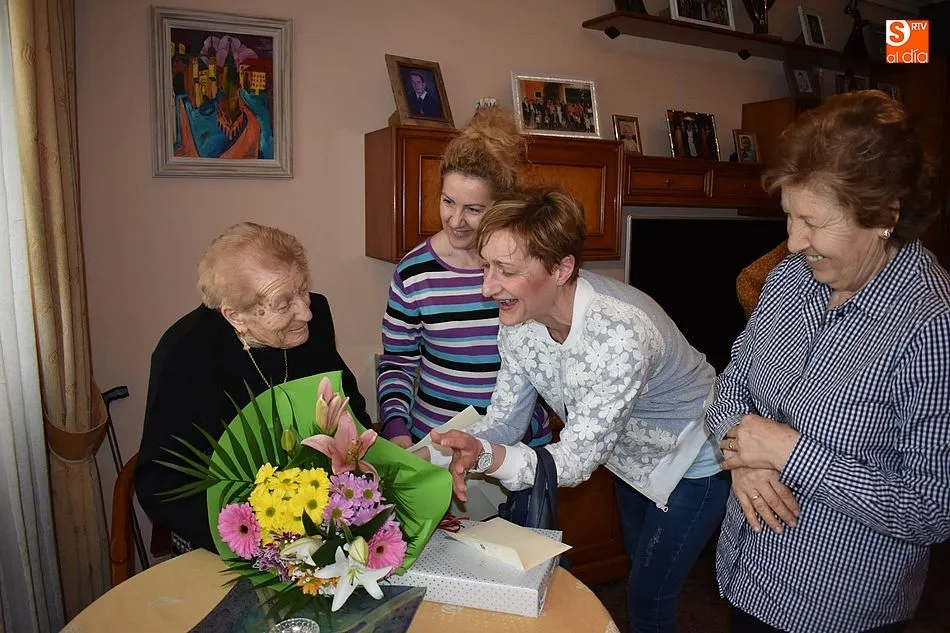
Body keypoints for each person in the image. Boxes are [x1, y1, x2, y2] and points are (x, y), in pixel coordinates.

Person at [430, 188, 729, 633]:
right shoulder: (519, 317)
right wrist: (450, 448)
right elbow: (508, 418)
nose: (487, 286)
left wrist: (489, 456)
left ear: (561, 267)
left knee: (649, 596)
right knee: (639, 570)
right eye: (486, 265)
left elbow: (574, 459)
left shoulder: (619, 335)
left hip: (694, 458)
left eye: (506, 270)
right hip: (629, 458)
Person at [707, 91, 950, 632]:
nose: (794, 242)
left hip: (839, 606)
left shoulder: (931, 324)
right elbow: (731, 388)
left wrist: (790, 452)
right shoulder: (791, 280)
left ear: (887, 213)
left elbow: (934, 507)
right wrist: (744, 457)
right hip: (749, 574)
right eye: (790, 217)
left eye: (813, 223)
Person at [135, 222, 372, 553]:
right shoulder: (185, 354)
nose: (305, 312)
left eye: (303, 290)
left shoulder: (311, 323)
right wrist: (258, 538)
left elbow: (351, 414)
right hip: (225, 541)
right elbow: (162, 483)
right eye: (283, 303)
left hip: (319, 526)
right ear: (235, 316)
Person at [376, 107, 550, 518]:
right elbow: (398, 362)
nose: (456, 219)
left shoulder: (527, 266)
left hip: (519, 449)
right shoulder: (414, 272)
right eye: (447, 201)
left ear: (501, 207)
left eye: (473, 209)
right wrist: (397, 429)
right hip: (439, 445)